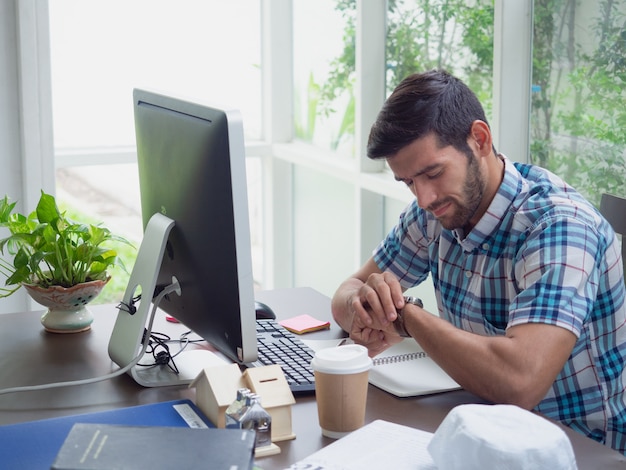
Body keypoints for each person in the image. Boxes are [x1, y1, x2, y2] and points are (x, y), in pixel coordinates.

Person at [331, 69, 626, 454]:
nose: (423, 198)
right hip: (483, 430)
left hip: (580, 450)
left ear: (480, 140)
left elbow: (519, 381)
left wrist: (405, 316)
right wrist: (366, 305)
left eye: (432, 173)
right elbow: (346, 293)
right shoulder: (435, 212)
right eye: (408, 183)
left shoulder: (558, 227)